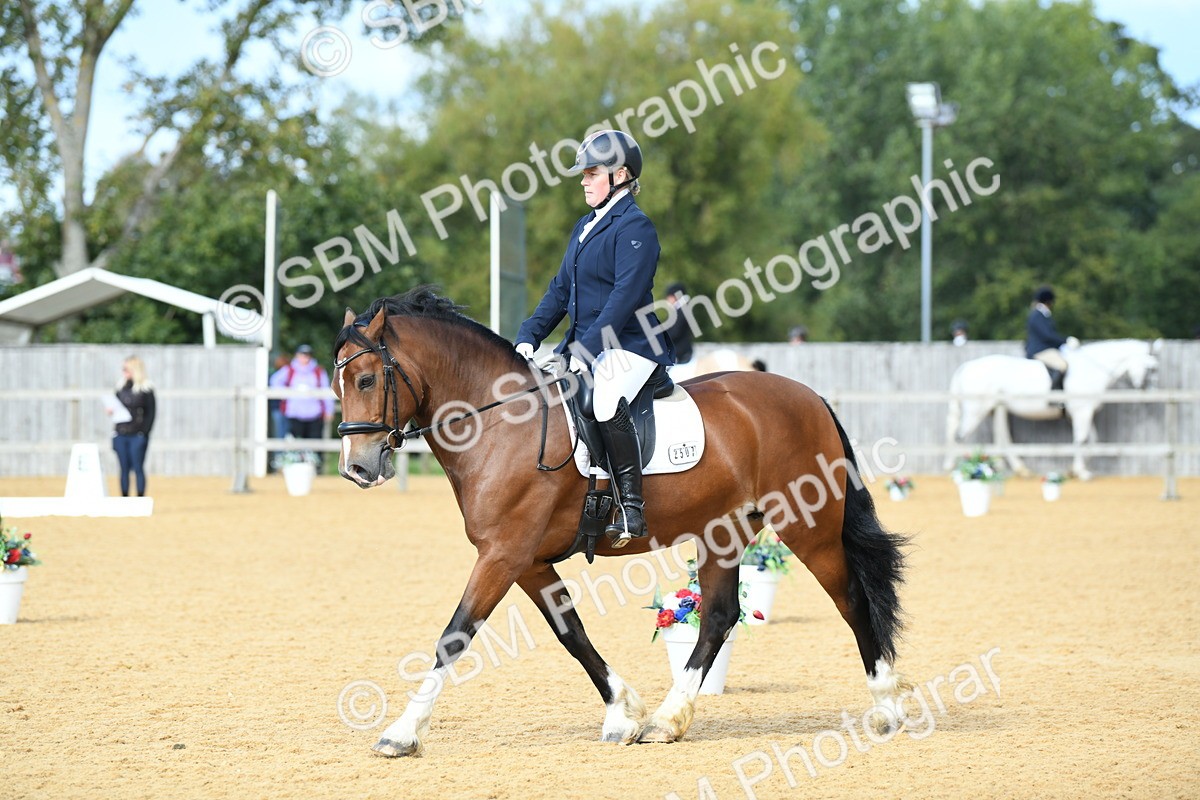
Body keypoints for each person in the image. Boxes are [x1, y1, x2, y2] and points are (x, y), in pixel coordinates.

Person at [515, 129, 674, 546]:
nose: (583, 181)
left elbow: (625, 296)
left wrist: (590, 346)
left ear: (620, 175)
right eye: (583, 174)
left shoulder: (636, 227)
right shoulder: (585, 226)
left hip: (631, 345)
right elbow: (560, 290)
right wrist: (529, 335)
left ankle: (631, 508)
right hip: (587, 345)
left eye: (591, 173)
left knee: (601, 401)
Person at [280, 344, 334, 468]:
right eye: (302, 354)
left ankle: (316, 469)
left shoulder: (318, 371)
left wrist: (328, 409)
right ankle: (293, 468)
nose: (305, 357)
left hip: (314, 414)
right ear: (297, 355)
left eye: (307, 355)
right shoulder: (289, 370)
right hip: (294, 414)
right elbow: (274, 382)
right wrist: (286, 392)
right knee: (294, 445)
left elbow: (326, 391)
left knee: (315, 445)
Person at [110, 356, 156, 497]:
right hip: (121, 433)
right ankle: (125, 498)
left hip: (137, 435)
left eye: (126, 369)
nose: (123, 372)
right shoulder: (120, 387)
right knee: (123, 468)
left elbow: (151, 413)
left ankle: (140, 498)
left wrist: (144, 432)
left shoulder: (146, 389)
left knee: (138, 467)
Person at [1025, 286, 1069, 385]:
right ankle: (1054, 394)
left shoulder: (1041, 314)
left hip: (1044, 349)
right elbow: (1047, 335)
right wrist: (1066, 340)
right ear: (1049, 301)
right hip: (1040, 351)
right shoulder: (1038, 315)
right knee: (1063, 365)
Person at [663, 281, 696, 380]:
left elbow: (675, 332)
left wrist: (661, 339)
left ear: (674, 296)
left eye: (669, 297)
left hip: (680, 351)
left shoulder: (683, 309)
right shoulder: (680, 309)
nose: (667, 300)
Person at [268, 351, 293, 442]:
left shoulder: (274, 373)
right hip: (280, 407)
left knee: (280, 433)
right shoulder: (285, 371)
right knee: (282, 432)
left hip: (278, 407)